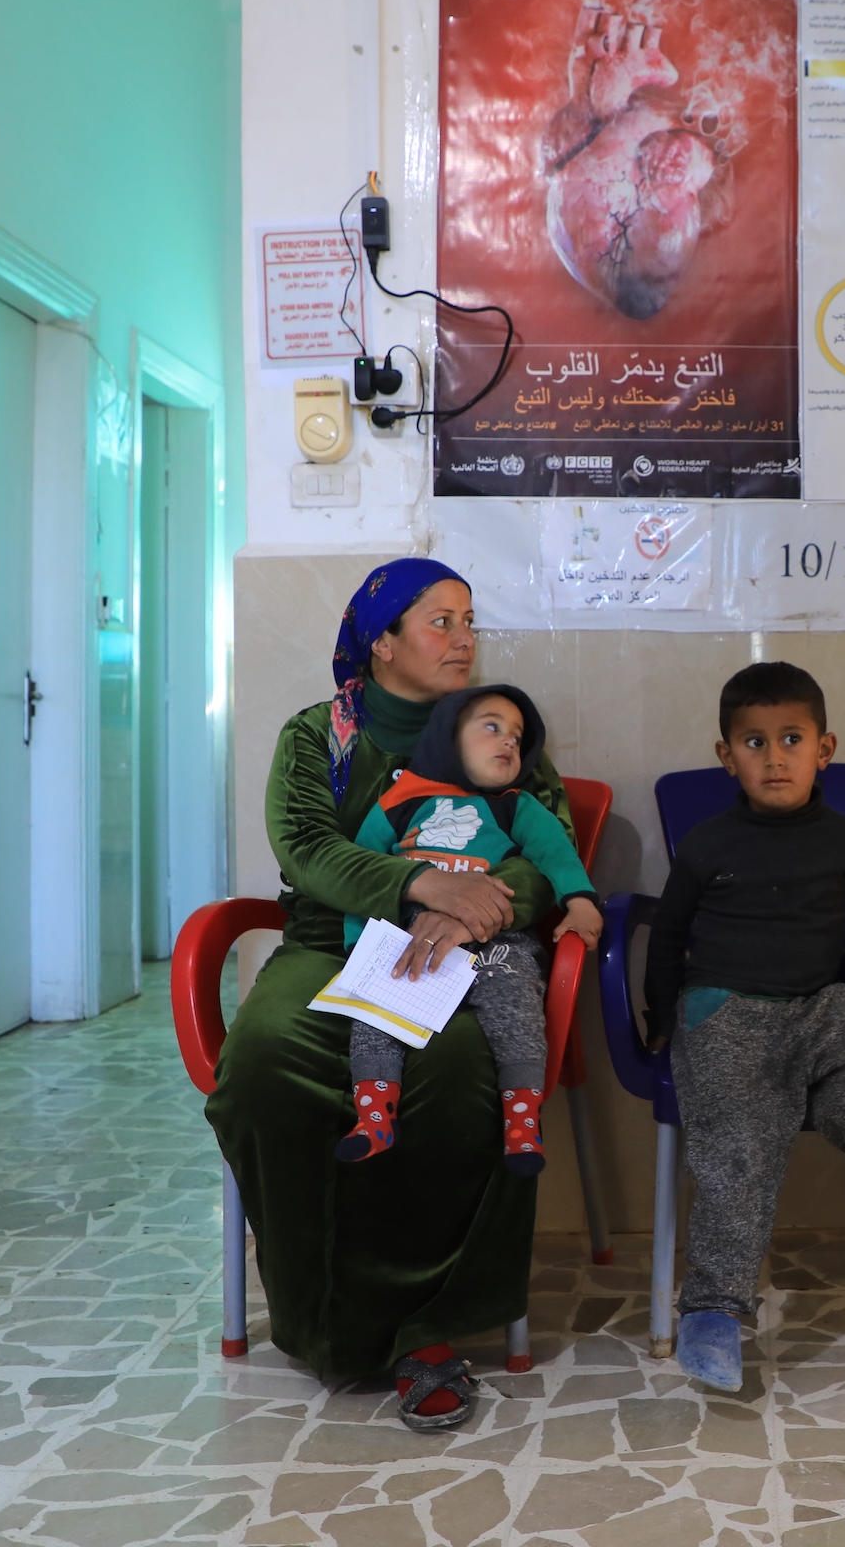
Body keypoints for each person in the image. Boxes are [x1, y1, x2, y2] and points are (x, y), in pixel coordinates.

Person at [205, 559, 575, 1430]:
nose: (464, 639)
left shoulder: (495, 728)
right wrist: (419, 885)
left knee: (452, 1075)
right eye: (440, 621)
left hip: (461, 950)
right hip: (329, 943)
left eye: (469, 621)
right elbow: (302, 848)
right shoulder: (318, 736)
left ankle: (430, 1333)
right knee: (262, 1069)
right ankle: (324, 1318)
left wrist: (483, 905)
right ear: (381, 642)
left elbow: (543, 849)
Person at [644, 662, 845, 1392]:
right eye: (753, 743)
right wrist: (660, 1019)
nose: (774, 756)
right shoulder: (708, 843)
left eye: (791, 738)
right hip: (724, 1009)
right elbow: (666, 936)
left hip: (821, 1006)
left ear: (824, 749)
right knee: (739, 1147)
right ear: (726, 757)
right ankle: (714, 1309)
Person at [335, 684, 603, 1174]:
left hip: (496, 939)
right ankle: (373, 1120)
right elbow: (364, 875)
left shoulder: (514, 805)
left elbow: (557, 856)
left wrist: (582, 902)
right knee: (373, 1013)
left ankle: (522, 1126)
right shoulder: (398, 801)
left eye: (517, 738)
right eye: (492, 728)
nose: (508, 743)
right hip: (412, 938)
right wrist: (360, 946)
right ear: (448, 736)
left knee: (516, 1005)